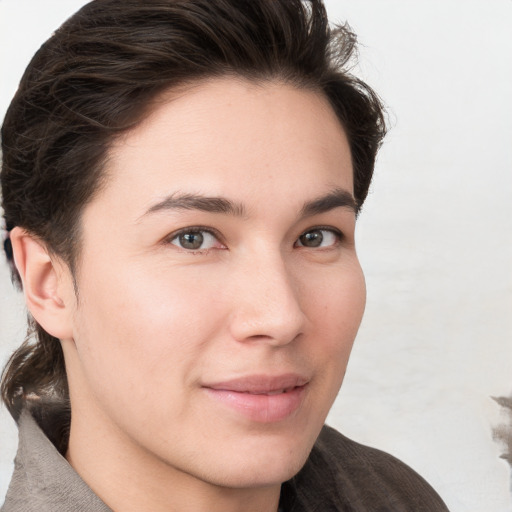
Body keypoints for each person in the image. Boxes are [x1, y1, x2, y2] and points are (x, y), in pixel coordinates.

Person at [0, 0, 449, 510]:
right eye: (193, 237)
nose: (280, 317)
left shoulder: (394, 497)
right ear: (46, 282)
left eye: (316, 236)